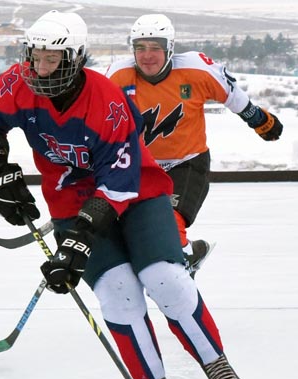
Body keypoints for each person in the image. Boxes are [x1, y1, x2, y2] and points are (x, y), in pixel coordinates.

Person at [0, 10, 247, 379]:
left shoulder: (108, 102)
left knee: (164, 277)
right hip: (69, 197)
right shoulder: (15, 82)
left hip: (137, 191)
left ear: (76, 59)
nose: (40, 68)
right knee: (117, 289)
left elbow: (119, 183)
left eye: (52, 59)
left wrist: (80, 237)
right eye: (35, 57)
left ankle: (216, 364)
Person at [106, 14, 283, 275]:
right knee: (136, 232)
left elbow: (231, 93)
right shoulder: (119, 76)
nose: (147, 55)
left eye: (155, 47)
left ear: (170, 48)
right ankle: (189, 253)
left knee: (169, 222)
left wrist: (259, 120)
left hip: (186, 163)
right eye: (140, 48)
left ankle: (183, 268)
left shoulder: (195, 69)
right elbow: (99, 121)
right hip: (142, 167)